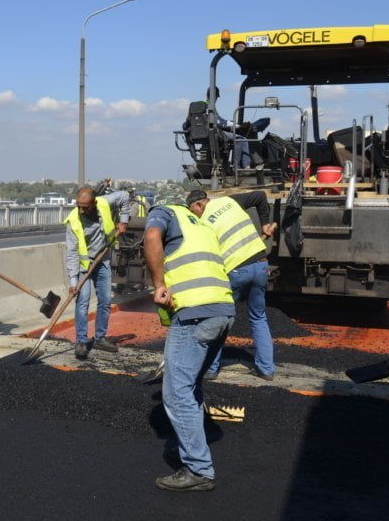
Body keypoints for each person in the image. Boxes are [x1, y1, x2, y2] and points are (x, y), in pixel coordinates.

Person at [144, 196, 235, 491]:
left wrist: (159, 284)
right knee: (191, 385)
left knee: (175, 392)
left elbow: (151, 236)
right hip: (223, 311)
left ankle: (198, 469)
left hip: (194, 315)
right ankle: (184, 442)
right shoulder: (203, 226)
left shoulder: (163, 212)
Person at [187, 189, 278, 380]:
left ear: (198, 204)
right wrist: (265, 224)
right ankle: (267, 369)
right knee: (259, 317)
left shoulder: (203, 222)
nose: (193, 214)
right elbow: (261, 196)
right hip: (261, 265)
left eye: (192, 210)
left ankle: (211, 369)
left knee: (220, 318)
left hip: (236, 271)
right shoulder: (230, 201)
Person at [64, 185, 130, 359]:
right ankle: (81, 340)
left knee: (105, 301)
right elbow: (71, 253)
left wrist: (123, 221)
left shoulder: (105, 203)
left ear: (93, 202)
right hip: (84, 266)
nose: (81, 210)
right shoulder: (73, 221)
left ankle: (100, 338)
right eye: (78, 205)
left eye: (85, 206)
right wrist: (72, 282)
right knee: (83, 301)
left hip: (103, 260)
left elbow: (124, 196)